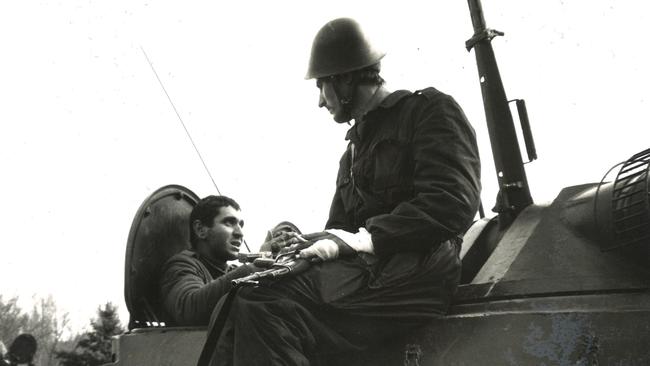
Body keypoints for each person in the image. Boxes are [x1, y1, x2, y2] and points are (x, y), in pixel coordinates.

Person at [210, 17, 481, 365]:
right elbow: (340, 232)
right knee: (235, 299)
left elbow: (452, 203)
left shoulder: (428, 112)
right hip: (372, 275)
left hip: (420, 273)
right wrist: (301, 247)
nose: (322, 102)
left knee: (264, 302)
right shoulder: (351, 153)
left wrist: (356, 241)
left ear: (345, 79)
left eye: (322, 87)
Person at [159, 195, 262, 326]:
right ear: (200, 230)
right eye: (229, 223)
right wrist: (252, 270)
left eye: (240, 225)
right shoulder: (182, 265)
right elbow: (188, 310)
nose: (240, 233)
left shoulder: (231, 271)